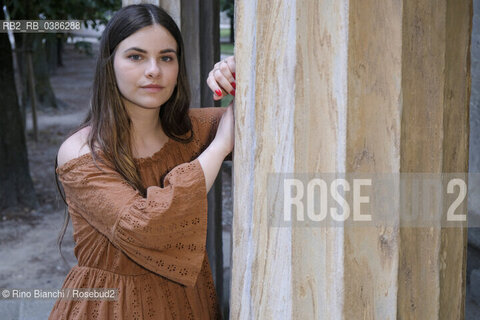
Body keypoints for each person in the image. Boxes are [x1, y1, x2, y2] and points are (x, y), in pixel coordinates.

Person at [50, 4, 236, 319]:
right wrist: (219, 149)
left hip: (188, 305)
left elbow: (277, 116)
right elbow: (147, 226)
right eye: (136, 57)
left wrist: (238, 69)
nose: (154, 70)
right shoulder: (82, 151)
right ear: (109, 64)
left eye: (166, 57)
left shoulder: (192, 131)